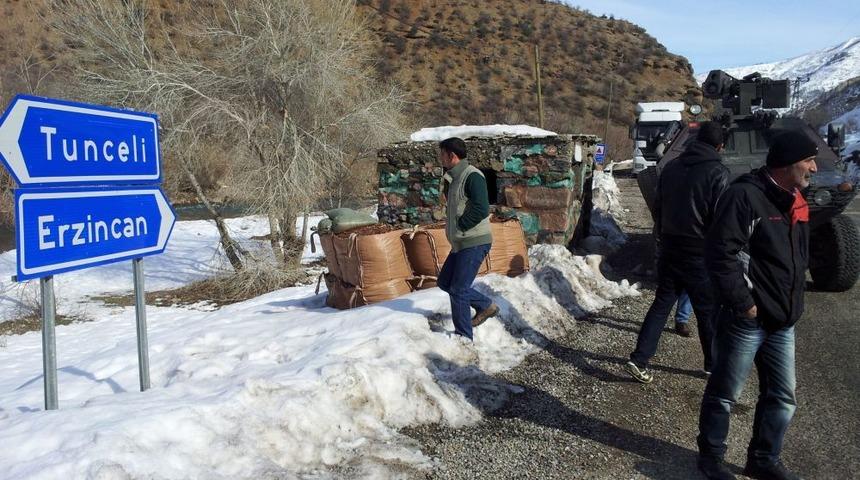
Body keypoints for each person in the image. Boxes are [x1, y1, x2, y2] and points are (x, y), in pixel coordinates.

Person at [696, 131, 817, 480]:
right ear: (787, 163)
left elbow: (798, 259)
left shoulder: (797, 201)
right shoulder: (744, 196)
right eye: (808, 160)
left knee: (782, 396)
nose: (813, 167)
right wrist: (744, 304)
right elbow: (720, 254)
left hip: (783, 320)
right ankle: (711, 459)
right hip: (747, 319)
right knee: (725, 393)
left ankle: (763, 459)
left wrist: (795, 303)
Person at [625, 121, 729, 383]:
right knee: (707, 310)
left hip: (670, 247)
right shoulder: (718, 172)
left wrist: (660, 236)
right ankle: (712, 365)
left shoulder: (672, 167)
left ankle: (639, 359)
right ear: (720, 146)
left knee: (661, 304)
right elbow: (721, 219)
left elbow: (658, 206)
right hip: (699, 251)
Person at [436, 137, 499, 340]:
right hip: (460, 243)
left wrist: (461, 226)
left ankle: (464, 337)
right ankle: (485, 305)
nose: (440, 158)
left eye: (442, 154)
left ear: (452, 155)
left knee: (458, 289)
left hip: (474, 241)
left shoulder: (472, 176)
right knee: (445, 281)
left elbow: (481, 208)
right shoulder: (453, 178)